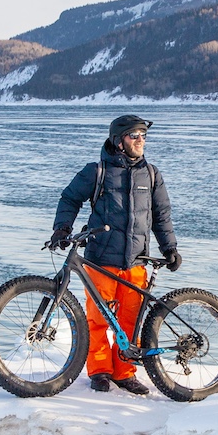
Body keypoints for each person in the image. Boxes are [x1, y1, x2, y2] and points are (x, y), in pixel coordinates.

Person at [50, 114, 180, 395]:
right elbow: (70, 198)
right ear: (119, 140)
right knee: (98, 320)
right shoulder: (96, 172)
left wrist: (169, 247)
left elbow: (162, 215)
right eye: (134, 136)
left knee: (130, 323)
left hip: (136, 261)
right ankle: (99, 371)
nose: (140, 141)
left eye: (143, 136)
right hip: (101, 259)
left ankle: (124, 373)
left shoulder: (152, 174)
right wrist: (62, 228)